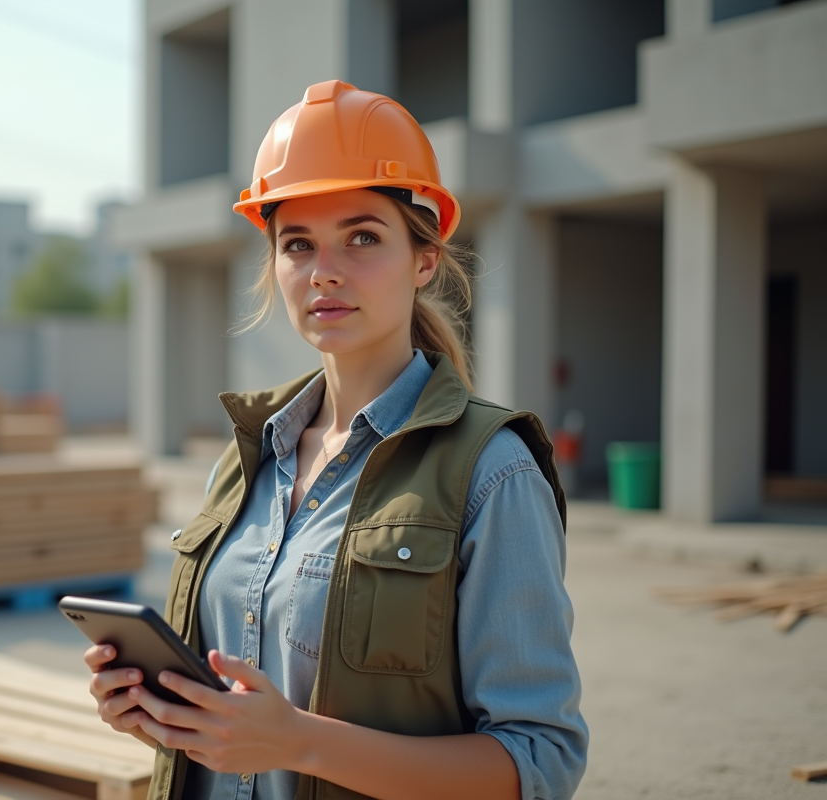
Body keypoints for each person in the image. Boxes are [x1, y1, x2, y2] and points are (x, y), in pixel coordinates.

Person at [84, 80, 587, 800]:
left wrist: (301, 743)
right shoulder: (248, 457)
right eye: (298, 244)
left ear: (425, 260)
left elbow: (540, 761)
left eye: (362, 237)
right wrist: (157, 714)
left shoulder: (491, 472)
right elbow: (234, 721)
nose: (325, 270)